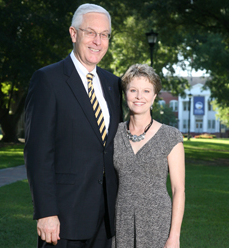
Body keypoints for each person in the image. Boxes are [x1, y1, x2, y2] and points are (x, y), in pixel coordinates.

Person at [24, 3, 122, 248]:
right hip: (63, 218)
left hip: (105, 218)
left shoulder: (113, 84)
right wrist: (46, 212)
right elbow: (38, 152)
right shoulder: (48, 79)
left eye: (104, 35)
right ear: (73, 33)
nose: (97, 41)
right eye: (90, 32)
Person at [112, 64, 185, 248]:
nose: (139, 97)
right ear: (125, 94)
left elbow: (178, 190)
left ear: (154, 96)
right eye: (133, 90)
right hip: (121, 224)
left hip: (157, 224)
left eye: (146, 91)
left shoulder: (170, 136)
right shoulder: (113, 133)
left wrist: (174, 237)